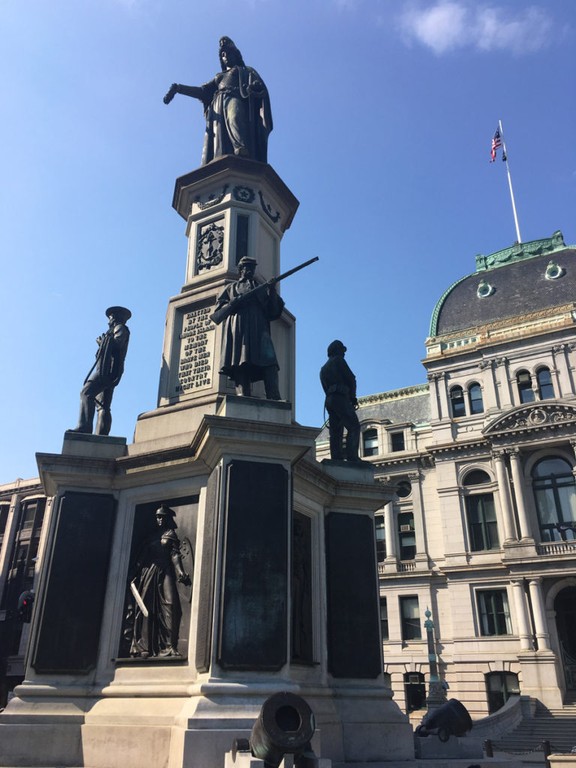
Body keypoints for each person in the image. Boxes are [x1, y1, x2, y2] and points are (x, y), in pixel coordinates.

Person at [163, 36, 272, 165]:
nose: (226, 56)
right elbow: (203, 91)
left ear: (236, 54)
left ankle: (241, 147)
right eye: (223, 54)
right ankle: (218, 158)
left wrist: (254, 87)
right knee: (217, 135)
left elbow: (259, 86)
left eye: (229, 53)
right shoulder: (219, 76)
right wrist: (179, 88)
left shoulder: (245, 70)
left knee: (234, 117)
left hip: (234, 96)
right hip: (218, 103)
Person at [211, 257, 283, 399]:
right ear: (240, 269)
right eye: (247, 267)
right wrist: (234, 302)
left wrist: (272, 290)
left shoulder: (261, 287)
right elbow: (218, 311)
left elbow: (273, 311)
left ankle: (274, 396)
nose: (250, 270)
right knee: (241, 360)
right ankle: (243, 395)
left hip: (259, 328)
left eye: (252, 267)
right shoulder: (231, 288)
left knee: (270, 363)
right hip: (240, 326)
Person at [129, 505, 191, 659]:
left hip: (165, 571)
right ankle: (144, 647)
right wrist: (133, 574)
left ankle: (170, 646)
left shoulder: (170, 535)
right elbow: (141, 559)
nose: (159, 519)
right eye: (157, 516)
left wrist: (180, 572)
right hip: (149, 573)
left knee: (171, 605)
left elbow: (175, 555)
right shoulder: (150, 538)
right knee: (146, 608)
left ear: (168, 518)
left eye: (162, 516)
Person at [71, 306, 131, 436]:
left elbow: (117, 345)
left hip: (107, 371)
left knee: (86, 393)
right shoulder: (114, 330)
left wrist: (102, 342)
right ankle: (101, 435)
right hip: (109, 371)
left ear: (114, 318)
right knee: (102, 406)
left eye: (110, 318)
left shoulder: (120, 328)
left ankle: (84, 427)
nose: (108, 321)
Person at [320, 340, 361, 462]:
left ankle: (336, 458)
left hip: (330, 400)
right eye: (342, 350)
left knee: (336, 431)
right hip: (341, 397)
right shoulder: (338, 360)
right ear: (337, 350)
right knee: (354, 426)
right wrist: (353, 397)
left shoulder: (323, 369)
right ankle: (352, 457)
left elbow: (325, 388)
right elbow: (351, 378)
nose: (344, 354)